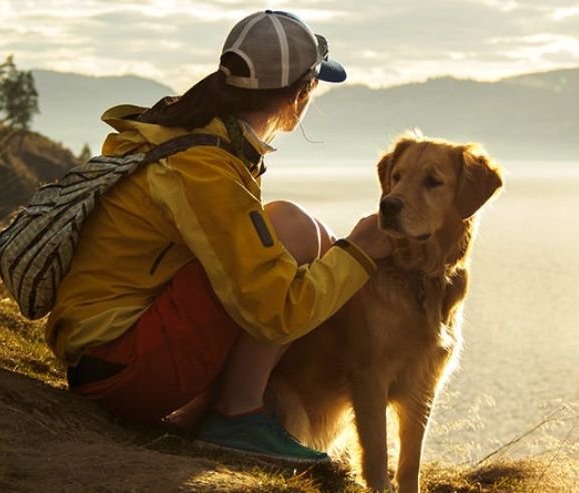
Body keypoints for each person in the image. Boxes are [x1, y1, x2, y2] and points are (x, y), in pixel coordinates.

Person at [46, 10, 392, 463]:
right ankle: (236, 414)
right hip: (122, 368)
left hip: (104, 356)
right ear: (301, 93)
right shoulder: (204, 166)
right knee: (295, 229)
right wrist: (359, 254)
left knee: (301, 234)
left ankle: (210, 409)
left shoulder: (195, 133)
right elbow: (274, 312)